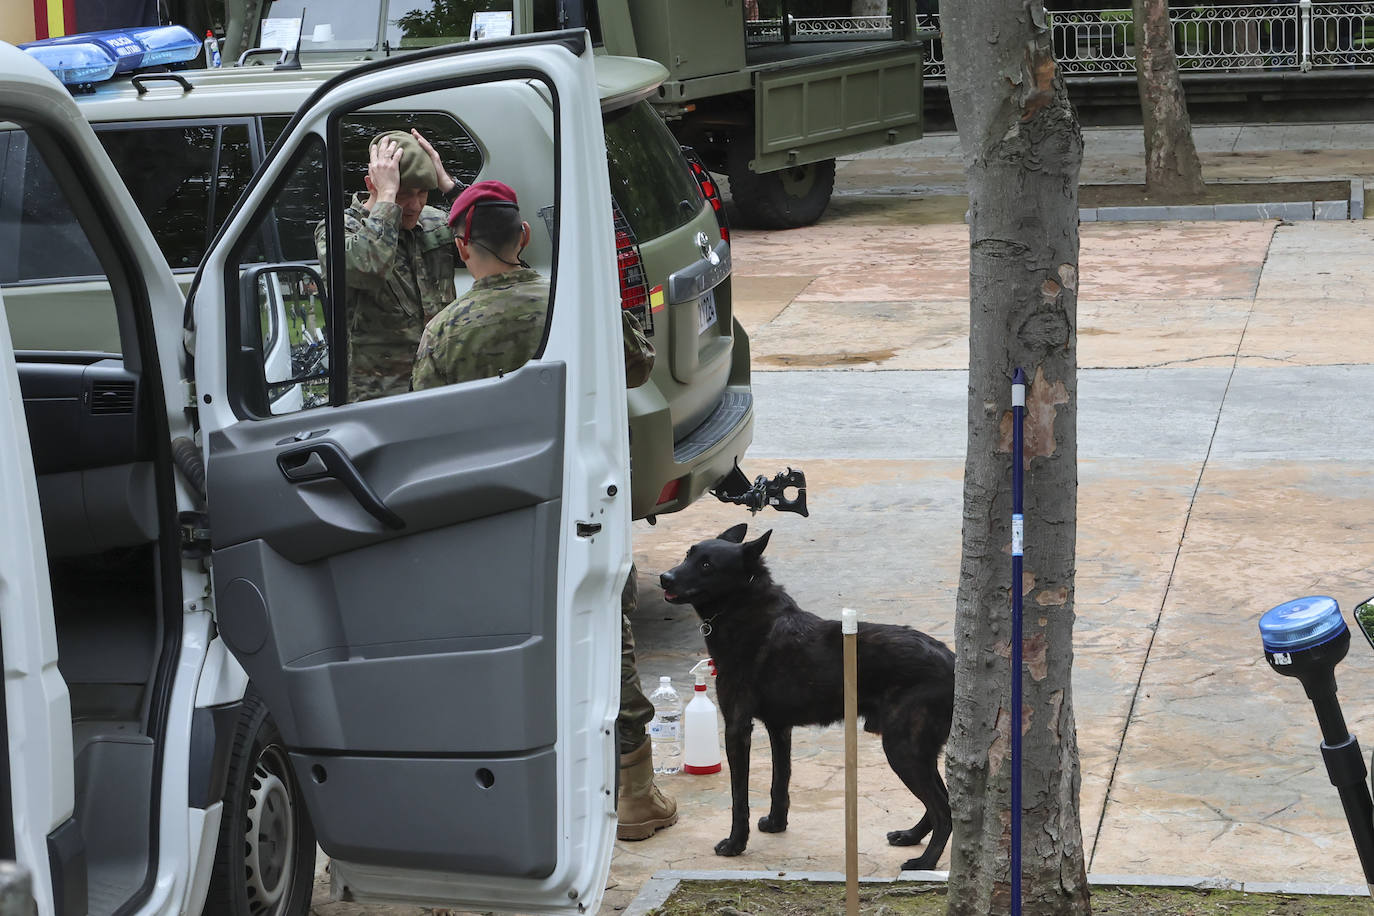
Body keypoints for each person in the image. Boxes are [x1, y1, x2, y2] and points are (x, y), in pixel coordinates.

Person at [411, 180, 676, 841]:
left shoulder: (445, 332)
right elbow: (640, 366)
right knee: (606, 635)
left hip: (494, 518)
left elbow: (422, 425)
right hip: (582, 499)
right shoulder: (576, 309)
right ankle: (635, 796)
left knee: (500, 650)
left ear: (462, 246)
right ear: (523, 236)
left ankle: (513, 800)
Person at [315, 129, 462, 402]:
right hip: (380, 395)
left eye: (423, 193)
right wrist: (387, 196)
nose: (416, 204)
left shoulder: (435, 223)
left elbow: (499, 241)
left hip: (441, 383)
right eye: (404, 193)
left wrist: (450, 188)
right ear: (372, 184)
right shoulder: (338, 229)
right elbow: (366, 268)